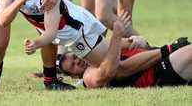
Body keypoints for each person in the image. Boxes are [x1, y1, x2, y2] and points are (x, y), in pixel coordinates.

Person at [0, 0, 150, 88]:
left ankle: (161, 53)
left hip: (78, 32)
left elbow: (50, 33)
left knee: (116, 68)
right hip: (69, 30)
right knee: (109, 54)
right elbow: (3, 20)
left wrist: (35, 43)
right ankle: (135, 42)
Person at [59, 35, 191, 88]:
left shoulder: (95, 55)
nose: (78, 62)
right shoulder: (89, 75)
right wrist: (168, 49)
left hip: (163, 60)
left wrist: (137, 40)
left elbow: (136, 44)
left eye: (75, 57)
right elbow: (119, 70)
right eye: (73, 65)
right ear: (74, 76)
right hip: (159, 73)